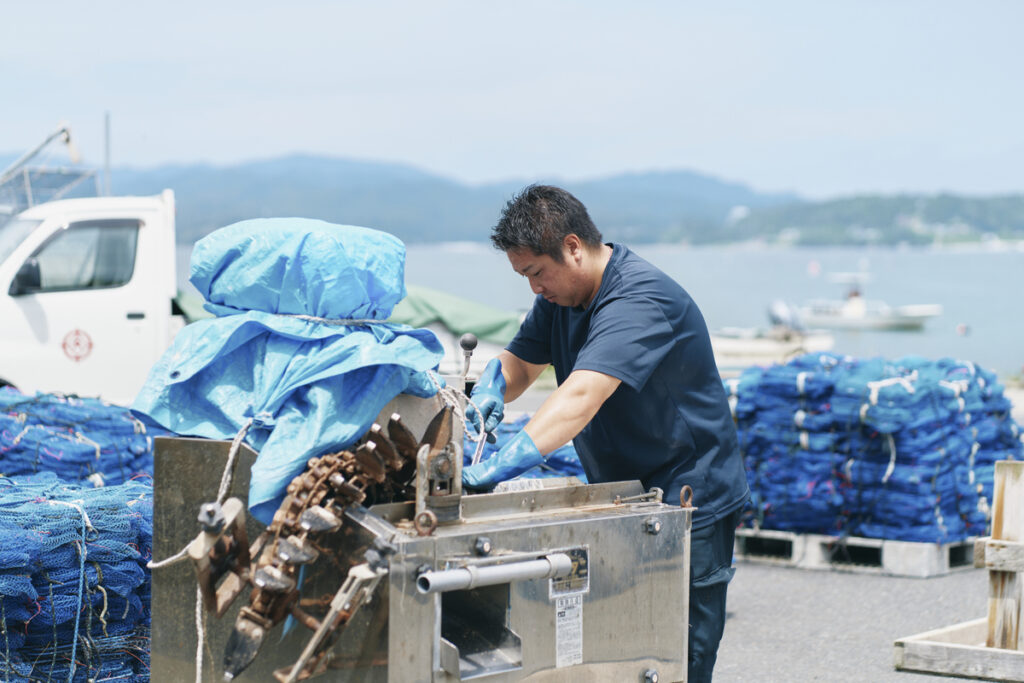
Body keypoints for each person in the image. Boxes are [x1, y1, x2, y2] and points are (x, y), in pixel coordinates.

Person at [462, 184, 749, 683]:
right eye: (524, 276)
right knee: (621, 643)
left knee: (679, 653)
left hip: (688, 497)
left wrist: (506, 461)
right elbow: (522, 363)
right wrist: (494, 384)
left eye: (536, 272)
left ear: (573, 247)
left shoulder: (639, 299)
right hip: (624, 494)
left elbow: (581, 396)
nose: (534, 288)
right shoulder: (562, 297)